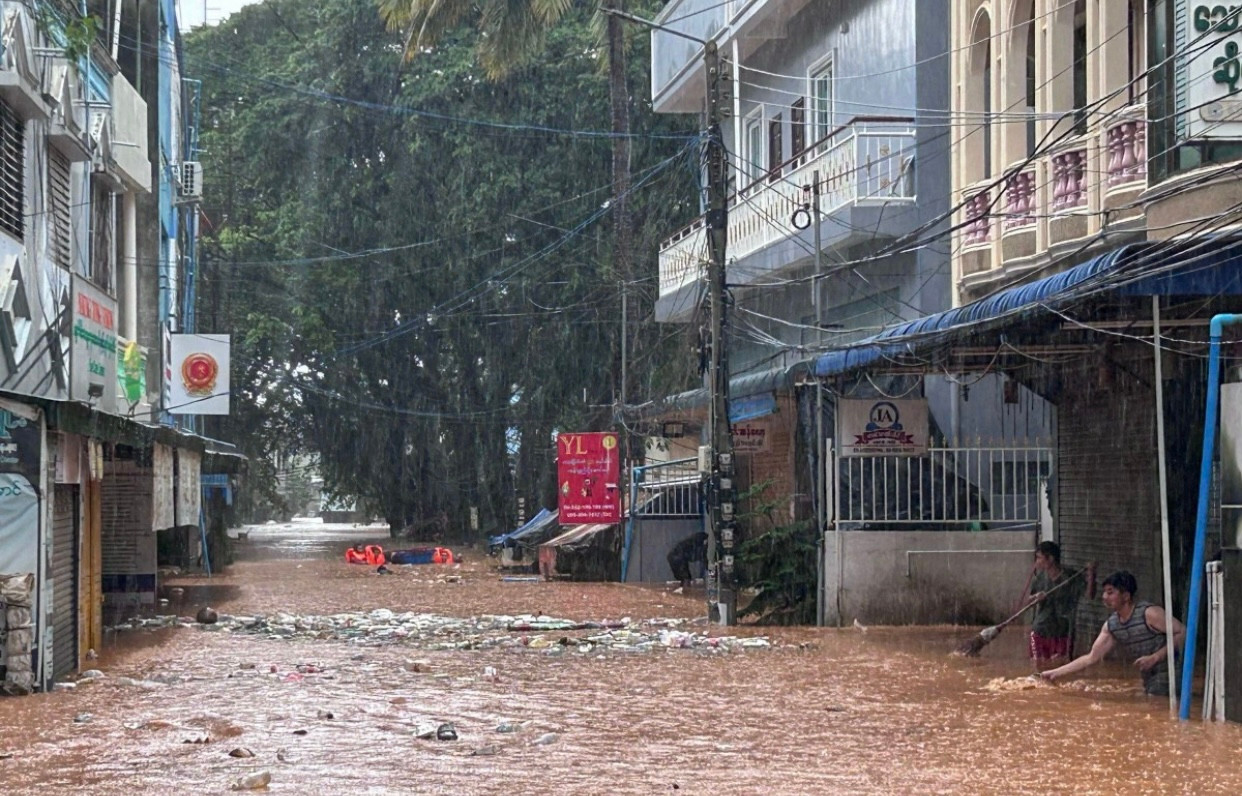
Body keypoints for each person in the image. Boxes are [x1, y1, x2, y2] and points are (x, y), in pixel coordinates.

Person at [1041, 570, 1185, 696]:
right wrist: (1055, 673)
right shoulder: (1112, 625)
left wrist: (1155, 657)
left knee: (1154, 704)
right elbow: (1091, 657)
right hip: (1149, 678)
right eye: (1104, 592)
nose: (1104, 597)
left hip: (1172, 673)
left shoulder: (1149, 613)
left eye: (1110, 592)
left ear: (1126, 596)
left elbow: (1183, 632)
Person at [1026, 542, 1089, 670]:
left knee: (1060, 667)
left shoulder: (1071, 576)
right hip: (1041, 630)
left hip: (1062, 631)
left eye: (1039, 558)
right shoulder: (1040, 578)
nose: (1037, 562)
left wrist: (1092, 575)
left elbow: (1089, 595)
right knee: (1037, 666)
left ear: (1050, 558)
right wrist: (1036, 597)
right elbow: (1029, 601)